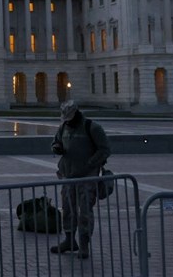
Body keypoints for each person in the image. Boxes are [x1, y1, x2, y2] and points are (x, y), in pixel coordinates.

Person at [50, 100, 110, 260]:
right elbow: (56, 142)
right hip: (68, 176)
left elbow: (104, 150)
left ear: (76, 114)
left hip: (87, 178)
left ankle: (84, 245)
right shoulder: (63, 127)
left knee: (84, 212)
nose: (68, 122)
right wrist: (56, 147)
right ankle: (70, 240)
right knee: (68, 210)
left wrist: (89, 164)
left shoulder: (92, 128)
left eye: (70, 118)